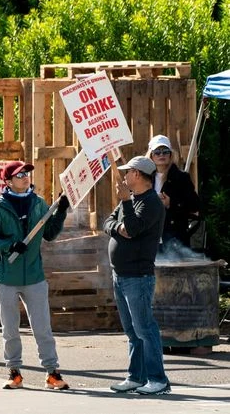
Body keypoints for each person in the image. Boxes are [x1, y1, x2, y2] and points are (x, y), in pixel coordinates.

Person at [0, 160, 70, 390]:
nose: (25, 177)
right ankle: (14, 373)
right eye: (20, 175)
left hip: (34, 276)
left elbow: (49, 234)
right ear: (8, 181)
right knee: (10, 329)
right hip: (6, 277)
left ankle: (52, 373)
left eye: (27, 173)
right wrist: (10, 245)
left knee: (43, 328)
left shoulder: (39, 204)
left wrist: (60, 211)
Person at [103, 156, 170, 395]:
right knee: (132, 331)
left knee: (145, 329)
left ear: (139, 175)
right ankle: (136, 377)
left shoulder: (151, 202)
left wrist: (124, 212)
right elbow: (108, 223)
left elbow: (130, 229)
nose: (124, 176)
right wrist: (118, 227)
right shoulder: (130, 200)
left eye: (128, 172)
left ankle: (158, 379)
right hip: (120, 275)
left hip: (138, 276)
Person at [145, 134, 200, 251]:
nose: (162, 155)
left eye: (165, 151)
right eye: (157, 152)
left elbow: (195, 206)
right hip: (149, 236)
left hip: (175, 238)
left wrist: (171, 203)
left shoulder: (181, 178)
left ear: (170, 155)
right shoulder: (144, 177)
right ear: (151, 155)